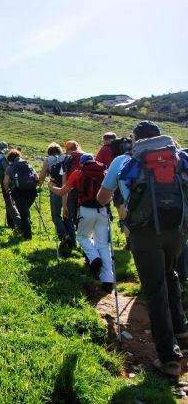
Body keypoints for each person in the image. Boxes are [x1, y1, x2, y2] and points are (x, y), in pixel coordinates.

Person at [97, 120, 188, 378]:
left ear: (136, 139)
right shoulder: (178, 156)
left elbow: (102, 197)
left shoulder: (124, 161)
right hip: (177, 230)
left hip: (144, 233)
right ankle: (181, 330)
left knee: (155, 290)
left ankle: (169, 358)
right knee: (170, 272)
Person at [50, 154, 113, 290]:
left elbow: (62, 192)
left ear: (82, 163)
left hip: (85, 210)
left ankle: (94, 258)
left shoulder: (78, 173)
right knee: (103, 244)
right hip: (102, 211)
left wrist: (51, 186)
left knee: (82, 237)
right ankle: (108, 280)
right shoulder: (105, 172)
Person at [38, 142, 75, 254]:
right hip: (68, 189)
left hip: (55, 189)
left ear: (49, 151)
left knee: (56, 215)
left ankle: (64, 235)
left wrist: (38, 185)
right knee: (67, 215)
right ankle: (73, 242)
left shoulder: (48, 160)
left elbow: (42, 176)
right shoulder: (65, 158)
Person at [4, 149, 38, 239]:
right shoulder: (28, 165)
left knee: (23, 215)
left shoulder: (9, 168)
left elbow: (5, 182)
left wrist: (7, 190)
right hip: (32, 192)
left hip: (19, 193)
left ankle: (27, 236)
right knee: (26, 211)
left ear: (10, 159)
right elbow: (37, 178)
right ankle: (27, 228)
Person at [0, 142, 20, 229]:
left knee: (8, 201)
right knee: (15, 201)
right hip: (16, 181)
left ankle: (15, 223)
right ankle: (15, 223)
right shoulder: (12, 155)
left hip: (5, 180)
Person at [61, 140, 84, 241]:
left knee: (71, 218)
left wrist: (64, 205)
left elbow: (64, 185)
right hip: (87, 193)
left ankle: (72, 241)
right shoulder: (86, 158)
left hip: (73, 193)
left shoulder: (66, 161)